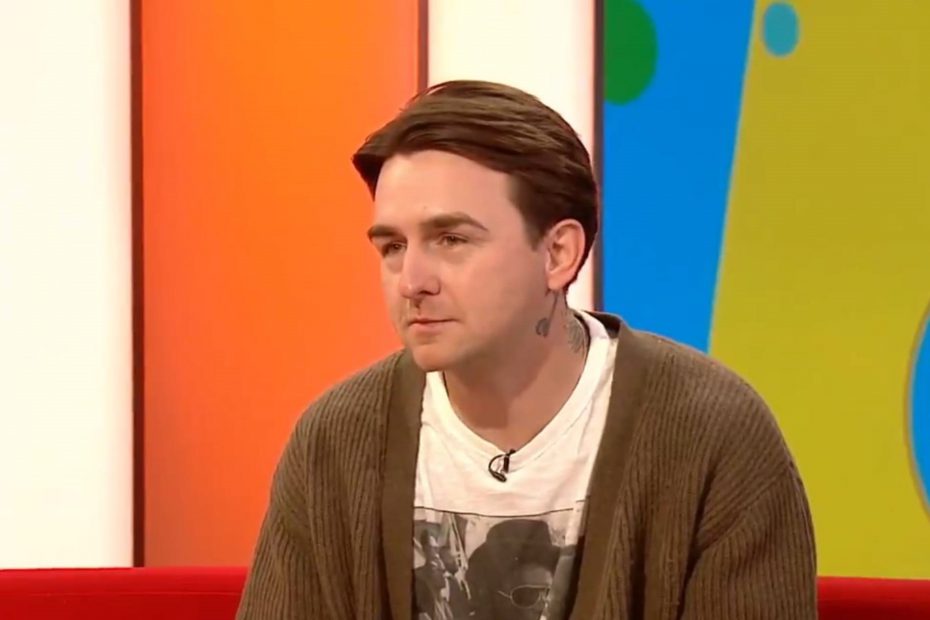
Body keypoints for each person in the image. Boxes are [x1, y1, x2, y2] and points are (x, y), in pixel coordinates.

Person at [236, 80, 817, 619]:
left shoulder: (712, 433)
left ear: (558, 254)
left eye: (451, 239)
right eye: (392, 247)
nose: (411, 281)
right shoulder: (336, 440)